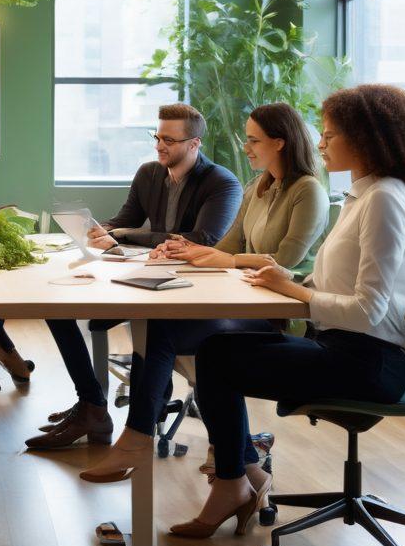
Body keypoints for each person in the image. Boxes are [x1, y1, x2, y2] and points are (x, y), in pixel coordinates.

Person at [170, 84, 405, 539]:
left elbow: (368, 312)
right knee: (217, 348)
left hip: (367, 362)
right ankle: (241, 475)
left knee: (217, 355)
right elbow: (341, 285)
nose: (320, 143)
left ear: (367, 139)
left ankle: (235, 481)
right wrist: (287, 282)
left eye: (331, 135)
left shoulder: (384, 201)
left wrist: (295, 291)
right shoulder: (363, 196)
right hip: (341, 345)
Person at [78, 103, 329, 485]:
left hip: (279, 308)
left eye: (253, 140)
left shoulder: (308, 191)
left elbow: (282, 261)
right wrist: (187, 251)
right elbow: (226, 246)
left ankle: (142, 438)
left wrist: (223, 259)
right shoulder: (258, 187)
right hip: (243, 296)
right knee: (157, 325)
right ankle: (145, 437)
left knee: (164, 331)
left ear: (280, 143)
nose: (245, 147)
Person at [26, 103, 242, 449]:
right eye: (157, 136)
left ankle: (132, 426)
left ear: (194, 144)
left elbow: (201, 241)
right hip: (145, 277)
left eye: (169, 140)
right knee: (57, 308)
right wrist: (102, 230)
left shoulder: (221, 183)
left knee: (148, 328)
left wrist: (124, 235)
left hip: (190, 287)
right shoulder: (148, 174)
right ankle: (92, 405)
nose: (160, 145)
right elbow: (123, 218)